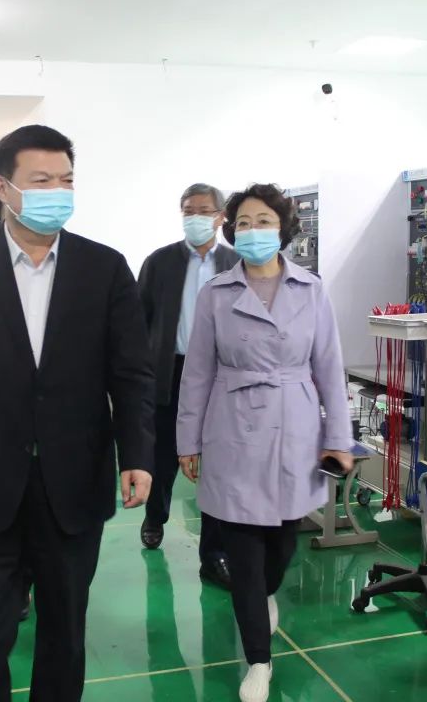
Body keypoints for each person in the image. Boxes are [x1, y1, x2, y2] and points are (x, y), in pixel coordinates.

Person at [0, 124, 155, 701]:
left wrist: (138, 453)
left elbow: (131, 374)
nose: (57, 193)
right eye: (41, 181)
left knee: (64, 633)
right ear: (4, 188)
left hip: (72, 481)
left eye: (66, 180)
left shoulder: (104, 268)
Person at [175, 183, 354, 702]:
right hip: (233, 428)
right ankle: (258, 659)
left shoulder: (311, 290)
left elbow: (330, 368)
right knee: (244, 553)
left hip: (296, 426)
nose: (254, 231)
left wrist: (338, 438)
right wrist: (188, 440)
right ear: (232, 231)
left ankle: (266, 594)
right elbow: (197, 374)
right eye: (245, 223)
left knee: (281, 544)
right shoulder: (216, 294)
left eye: (264, 222)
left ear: (283, 228)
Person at [136, 183, 238, 589]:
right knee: (162, 455)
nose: (195, 217)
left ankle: (213, 553)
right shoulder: (159, 263)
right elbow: (138, 319)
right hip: (170, 372)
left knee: (216, 464)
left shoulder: (236, 262)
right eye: (188, 210)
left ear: (220, 216)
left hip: (219, 375)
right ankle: (154, 516)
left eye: (204, 210)